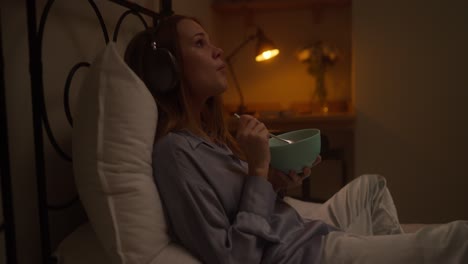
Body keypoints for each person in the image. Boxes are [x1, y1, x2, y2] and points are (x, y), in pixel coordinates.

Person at [124, 15, 468, 264]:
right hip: (299, 254)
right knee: (457, 239)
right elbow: (233, 257)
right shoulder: (175, 154)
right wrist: (259, 169)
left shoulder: (212, 139)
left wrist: (274, 181)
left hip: (306, 232)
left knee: (371, 187)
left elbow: (244, 202)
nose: (217, 51)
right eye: (200, 43)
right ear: (166, 71)